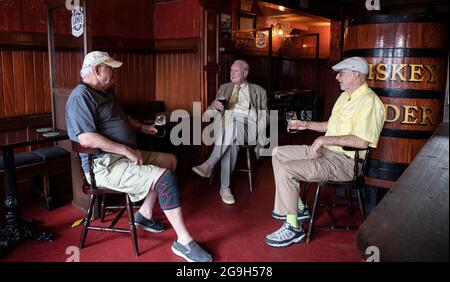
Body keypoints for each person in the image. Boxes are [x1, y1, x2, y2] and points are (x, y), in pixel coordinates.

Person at [65, 51, 212, 262]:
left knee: (170, 161)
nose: (114, 73)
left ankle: (144, 215)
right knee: (165, 179)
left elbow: (122, 118)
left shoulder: (106, 91)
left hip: (124, 156)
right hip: (103, 165)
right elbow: (87, 139)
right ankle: (184, 241)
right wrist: (126, 150)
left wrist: (143, 128)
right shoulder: (81, 97)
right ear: (97, 70)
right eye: (110, 68)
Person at [265, 57, 385, 247]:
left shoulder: (370, 102)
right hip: (328, 153)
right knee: (278, 152)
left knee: (287, 170)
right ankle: (299, 207)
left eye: (341, 73)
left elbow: (362, 142)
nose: (337, 78)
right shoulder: (345, 96)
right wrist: (305, 125)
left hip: (346, 162)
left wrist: (323, 140)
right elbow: (331, 126)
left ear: (356, 74)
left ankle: (293, 227)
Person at [192, 60, 268, 204]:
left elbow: (265, 115)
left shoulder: (258, 91)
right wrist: (214, 106)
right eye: (231, 71)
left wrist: (260, 134)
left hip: (248, 127)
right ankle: (225, 188)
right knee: (231, 142)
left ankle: (209, 164)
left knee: (233, 126)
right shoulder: (225, 88)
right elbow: (208, 114)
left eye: (236, 71)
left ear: (245, 73)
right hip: (225, 126)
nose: (232, 74)